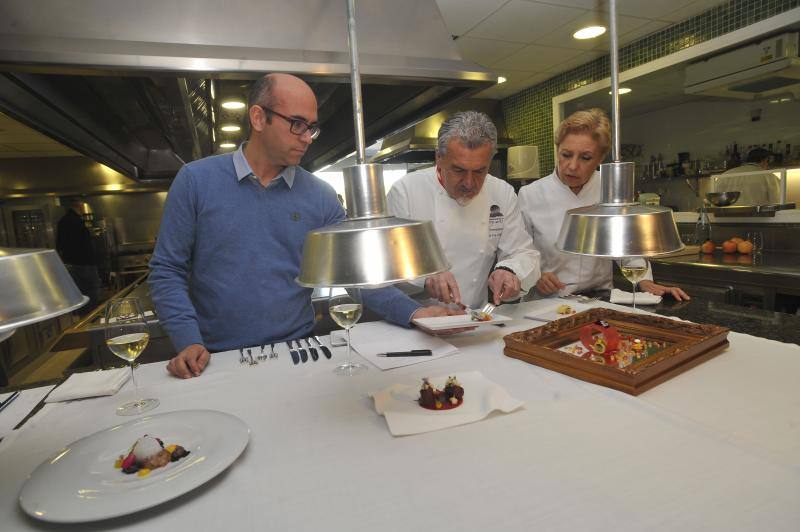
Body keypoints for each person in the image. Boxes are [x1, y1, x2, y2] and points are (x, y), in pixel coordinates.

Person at [149, 73, 453, 379]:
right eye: (297, 124)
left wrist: (414, 312)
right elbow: (167, 270)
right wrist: (187, 340)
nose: (307, 137)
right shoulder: (195, 181)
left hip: (299, 353)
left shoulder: (319, 195)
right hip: (216, 359)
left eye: (311, 127)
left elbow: (357, 273)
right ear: (258, 117)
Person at [518, 108, 688, 300]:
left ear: (600, 159)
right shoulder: (530, 195)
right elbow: (519, 252)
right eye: (566, 154)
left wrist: (645, 282)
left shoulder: (610, 190)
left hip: (598, 300)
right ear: (557, 149)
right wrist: (536, 276)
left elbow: (628, 245)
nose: (573, 166)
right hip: (547, 302)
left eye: (585, 158)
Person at [386, 111, 540, 310]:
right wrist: (426, 276)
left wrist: (510, 270)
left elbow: (524, 252)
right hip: (418, 321)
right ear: (438, 159)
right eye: (459, 170)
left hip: (477, 317)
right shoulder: (406, 191)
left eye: (479, 171)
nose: (469, 183)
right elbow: (391, 264)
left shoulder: (502, 192)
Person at [56, 197, 102, 313]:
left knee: (79, 292)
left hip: (70, 263)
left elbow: (59, 244)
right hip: (85, 262)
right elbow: (84, 244)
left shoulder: (62, 221)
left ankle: (82, 317)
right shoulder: (78, 222)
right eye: (82, 206)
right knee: (92, 290)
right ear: (79, 206)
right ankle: (92, 316)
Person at [713, 147, 780, 205]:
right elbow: (776, 202)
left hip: (725, 218)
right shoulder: (770, 176)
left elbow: (716, 200)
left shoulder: (726, 174)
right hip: (760, 218)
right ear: (765, 160)